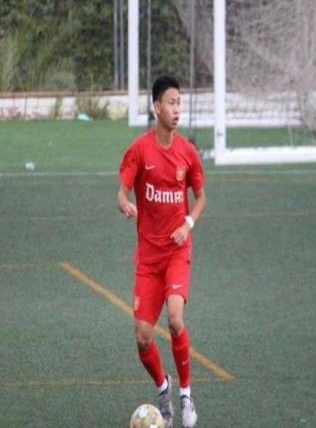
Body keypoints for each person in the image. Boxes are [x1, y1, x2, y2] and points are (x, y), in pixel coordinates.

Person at [117, 76, 206, 428]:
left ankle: (185, 393)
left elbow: (201, 198)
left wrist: (188, 224)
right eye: (171, 103)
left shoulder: (188, 152)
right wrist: (125, 203)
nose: (177, 109)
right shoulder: (140, 150)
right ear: (156, 107)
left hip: (176, 253)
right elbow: (122, 191)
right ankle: (163, 386)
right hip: (148, 259)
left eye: (179, 102)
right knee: (142, 338)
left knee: (175, 318)